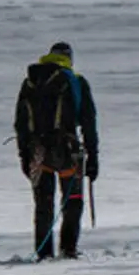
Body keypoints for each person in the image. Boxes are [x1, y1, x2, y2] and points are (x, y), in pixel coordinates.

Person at [13, 41, 99, 260]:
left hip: (37, 152)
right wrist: (93, 157)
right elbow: (88, 122)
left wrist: (24, 155)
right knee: (73, 199)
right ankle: (68, 249)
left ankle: (43, 252)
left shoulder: (30, 82)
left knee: (43, 203)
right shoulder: (76, 82)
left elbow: (20, 123)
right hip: (68, 151)